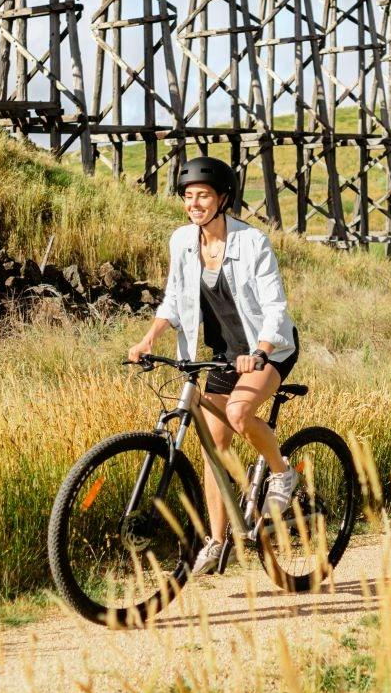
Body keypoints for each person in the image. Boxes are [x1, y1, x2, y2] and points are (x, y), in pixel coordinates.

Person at [127, 157, 301, 575]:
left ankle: (282, 474)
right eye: (188, 197)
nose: (195, 204)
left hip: (267, 349)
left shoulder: (252, 242)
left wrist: (260, 350)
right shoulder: (182, 241)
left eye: (203, 195)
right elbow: (173, 297)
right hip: (222, 353)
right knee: (212, 448)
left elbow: (276, 308)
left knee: (240, 413)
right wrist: (149, 338)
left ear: (223, 198)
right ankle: (216, 541)